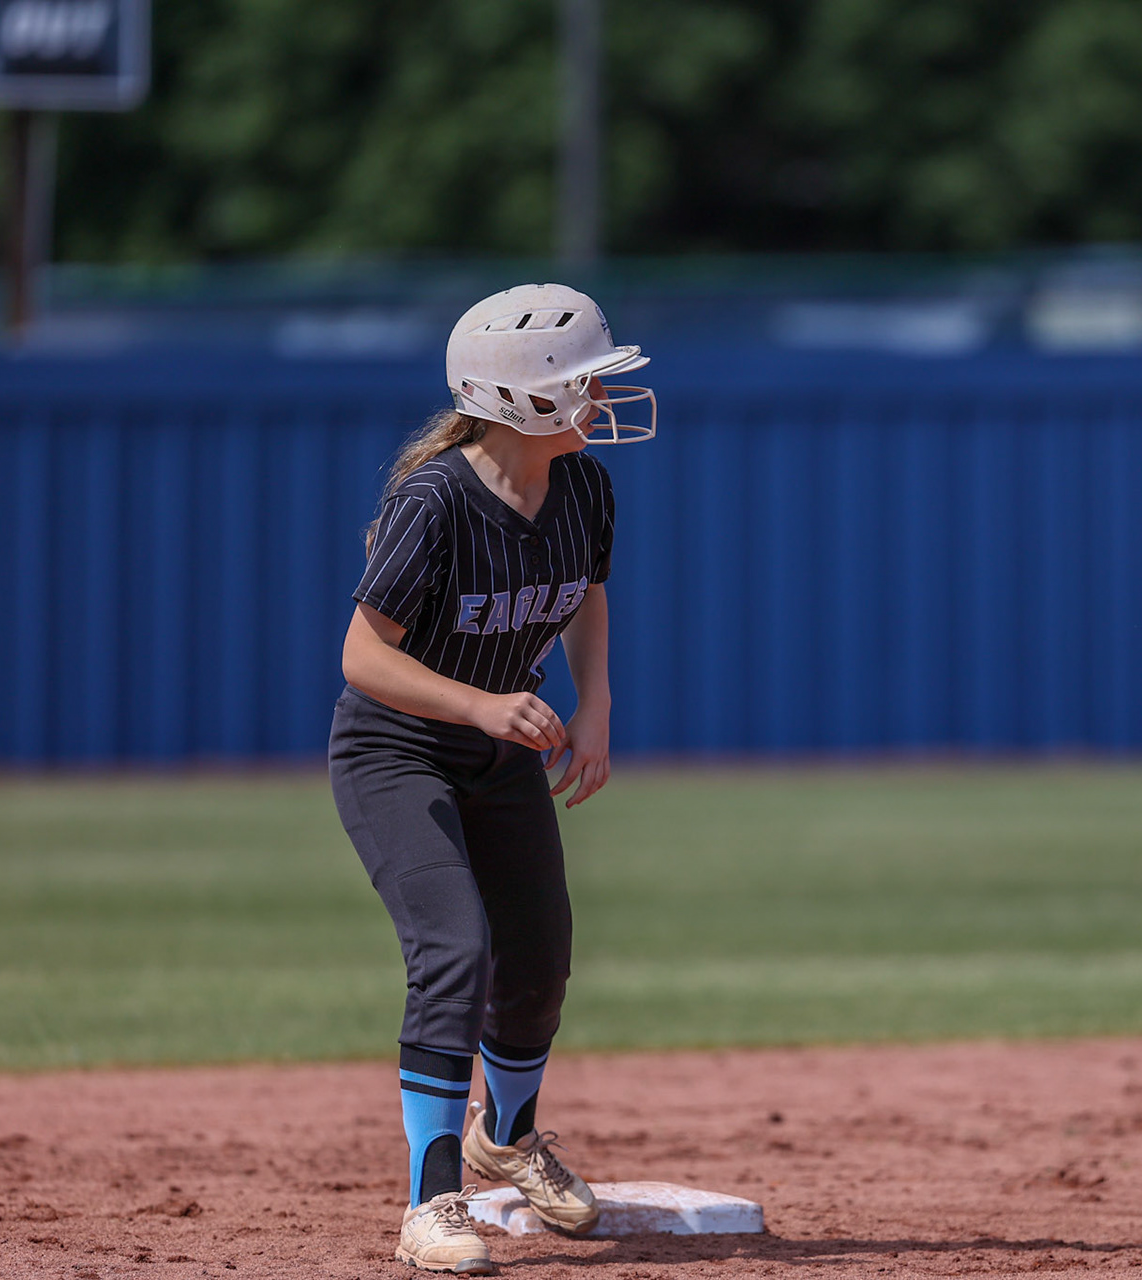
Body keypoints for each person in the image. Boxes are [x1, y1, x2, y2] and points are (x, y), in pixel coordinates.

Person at [328, 284, 656, 1275]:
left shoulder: (584, 484)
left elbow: (586, 595)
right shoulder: (437, 501)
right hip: (398, 748)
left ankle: (505, 1137)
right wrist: (479, 705)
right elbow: (361, 657)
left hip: (500, 746)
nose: (598, 393)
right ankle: (432, 1203)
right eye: (579, 379)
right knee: (455, 947)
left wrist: (593, 701)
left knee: (541, 955)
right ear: (520, 398)